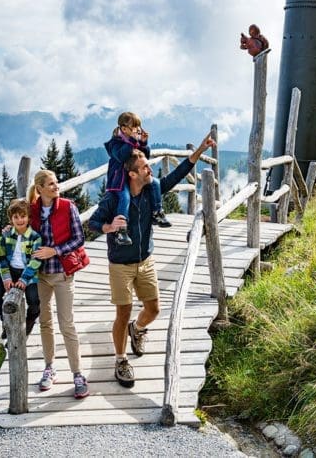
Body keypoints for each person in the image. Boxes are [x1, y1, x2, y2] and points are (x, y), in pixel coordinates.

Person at [89, 132, 216, 388]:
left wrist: (200, 150)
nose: (151, 169)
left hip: (145, 260)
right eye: (145, 167)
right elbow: (92, 223)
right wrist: (110, 227)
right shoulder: (114, 198)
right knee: (122, 313)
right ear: (132, 174)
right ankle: (121, 359)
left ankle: (137, 329)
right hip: (121, 265)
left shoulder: (151, 192)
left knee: (154, 309)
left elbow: (178, 174)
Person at [28, 169, 90, 399]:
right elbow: (22, 230)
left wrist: (54, 250)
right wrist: (9, 231)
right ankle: (49, 367)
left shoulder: (67, 206)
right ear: (40, 189)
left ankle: (78, 374)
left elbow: (78, 238)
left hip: (63, 272)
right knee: (45, 322)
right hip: (41, 275)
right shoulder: (32, 210)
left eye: (57, 183)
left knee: (67, 324)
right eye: (52, 184)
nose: (57, 187)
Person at [105, 111, 171, 247]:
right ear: (124, 129)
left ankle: (157, 212)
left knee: (155, 183)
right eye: (134, 127)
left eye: (138, 127)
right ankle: (121, 230)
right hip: (120, 180)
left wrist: (143, 142)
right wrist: (134, 141)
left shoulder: (132, 140)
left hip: (135, 178)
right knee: (125, 198)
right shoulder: (114, 143)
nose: (138, 130)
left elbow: (144, 156)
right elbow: (122, 156)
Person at [0, 198, 42, 341]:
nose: (19, 220)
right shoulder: (6, 236)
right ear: (11, 219)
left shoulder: (35, 237)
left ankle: (28, 323)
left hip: (28, 273)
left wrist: (24, 279)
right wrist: (6, 278)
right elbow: (1, 258)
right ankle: (6, 321)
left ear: (28, 218)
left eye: (23, 216)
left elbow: (35, 261)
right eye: (16, 217)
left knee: (35, 301)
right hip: (11, 271)